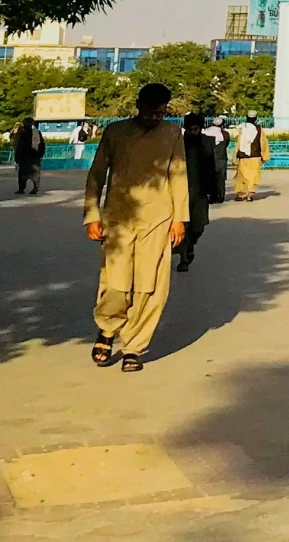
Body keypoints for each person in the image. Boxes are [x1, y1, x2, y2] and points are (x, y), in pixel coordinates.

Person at [83, 82, 189, 371]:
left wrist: (180, 218)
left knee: (149, 286)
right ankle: (107, 328)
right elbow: (96, 175)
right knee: (116, 283)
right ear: (138, 105)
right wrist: (92, 214)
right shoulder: (115, 132)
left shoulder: (171, 133)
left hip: (158, 219)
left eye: (160, 113)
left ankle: (134, 346)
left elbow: (178, 175)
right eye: (150, 111)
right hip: (118, 218)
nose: (155, 117)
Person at [174, 113, 220, 272]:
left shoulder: (206, 142)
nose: (193, 132)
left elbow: (214, 166)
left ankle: (189, 246)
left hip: (200, 191)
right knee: (184, 226)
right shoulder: (178, 143)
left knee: (198, 227)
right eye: (190, 129)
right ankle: (185, 257)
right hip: (181, 193)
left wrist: (216, 190)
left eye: (196, 129)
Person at [232, 116, 266, 201]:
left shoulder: (242, 129)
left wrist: (235, 155)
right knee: (253, 175)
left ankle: (240, 194)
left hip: (243, 156)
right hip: (255, 156)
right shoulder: (259, 130)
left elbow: (239, 143)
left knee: (241, 175)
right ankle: (249, 195)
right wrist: (264, 156)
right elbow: (263, 143)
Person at [12, 117, 47, 196]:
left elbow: (19, 146)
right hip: (35, 156)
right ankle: (35, 187)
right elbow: (42, 145)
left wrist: (17, 158)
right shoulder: (37, 133)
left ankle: (21, 189)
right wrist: (41, 154)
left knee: (22, 174)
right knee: (35, 173)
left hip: (25, 157)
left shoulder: (22, 134)